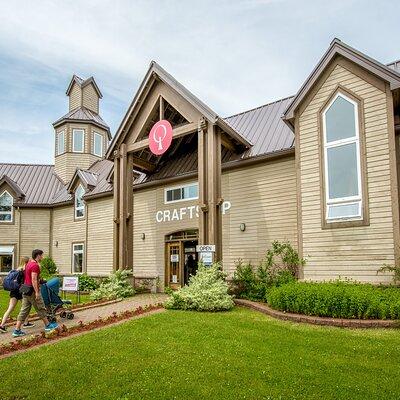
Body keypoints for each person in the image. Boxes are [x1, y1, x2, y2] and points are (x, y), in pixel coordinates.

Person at [12, 249, 58, 337]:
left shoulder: (28, 264)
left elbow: (29, 277)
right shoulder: (35, 266)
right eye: (41, 255)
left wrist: (39, 280)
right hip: (32, 291)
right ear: (38, 255)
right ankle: (48, 325)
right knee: (41, 307)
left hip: (25, 290)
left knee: (24, 311)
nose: (42, 257)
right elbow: (33, 279)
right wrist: (37, 292)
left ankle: (17, 330)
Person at [0, 256, 35, 333]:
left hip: (13, 291)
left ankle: (2, 325)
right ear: (26, 262)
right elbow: (25, 282)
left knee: (10, 308)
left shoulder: (16, 270)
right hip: (20, 291)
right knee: (26, 307)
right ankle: (25, 323)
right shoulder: (23, 271)